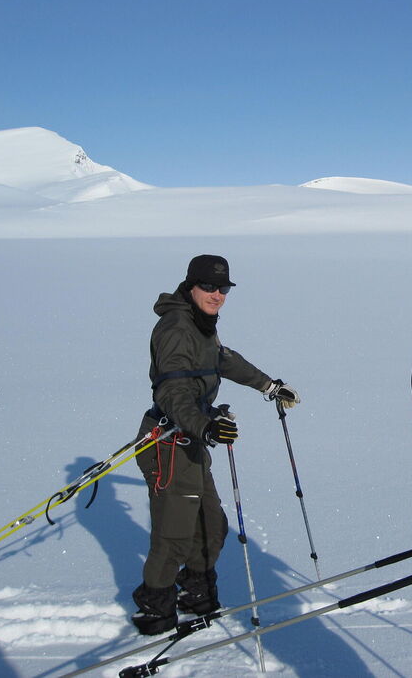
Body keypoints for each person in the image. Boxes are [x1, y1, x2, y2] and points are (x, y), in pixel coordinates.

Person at [131, 254, 300, 636]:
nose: (217, 295)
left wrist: (268, 385)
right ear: (190, 285)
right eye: (208, 287)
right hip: (169, 442)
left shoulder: (201, 323)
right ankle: (155, 609)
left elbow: (221, 359)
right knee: (174, 533)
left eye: (223, 288)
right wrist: (205, 426)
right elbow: (173, 392)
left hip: (190, 438)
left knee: (211, 524)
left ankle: (196, 595)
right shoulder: (175, 326)